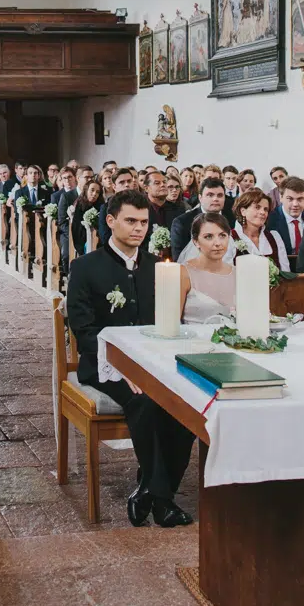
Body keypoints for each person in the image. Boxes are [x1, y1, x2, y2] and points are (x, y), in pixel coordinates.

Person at [67, 191, 195, 528]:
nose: (139, 228)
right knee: (146, 402)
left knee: (187, 407)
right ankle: (163, 499)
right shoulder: (84, 267)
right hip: (104, 365)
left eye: (143, 222)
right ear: (111, 221)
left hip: (154, 362)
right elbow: (83, 330)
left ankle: (148, 490)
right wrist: (125, 367)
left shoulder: (158, 267)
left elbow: (169, 322)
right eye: (131, 221)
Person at [179, 213, 236, 324]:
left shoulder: (238, 274)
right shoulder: (183, 273)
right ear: (196, 241)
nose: (218, 243)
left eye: (222, 235)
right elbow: (171, 323)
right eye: (208, 237)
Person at [268, 174, 304, 265]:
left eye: (300, 199)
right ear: (281, 198)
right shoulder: (269, 220)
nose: (295, 204)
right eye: (290, 199)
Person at [171, 176, 228, 262]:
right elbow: (178, 260)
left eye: (220, 195)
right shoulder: (182, 222)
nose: (215, 199)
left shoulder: (232, 219)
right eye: (210, 195)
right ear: (200, 197)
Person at [233, 188, 290, 270]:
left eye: (265, 209)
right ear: (243, 211)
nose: (263, 212)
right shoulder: (230, 238)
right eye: (257, 207)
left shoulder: (274, 236)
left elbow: (286, 271)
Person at [97, 166, 135, 244]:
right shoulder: (106, 208)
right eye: (122, 182)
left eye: (129, 181)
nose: (127, 185)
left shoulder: (141, 205)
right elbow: (104, 236)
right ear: (114, 187)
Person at [53, 165, 79, 275]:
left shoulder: (83, 192)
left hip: (81, 228)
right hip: (65, 231)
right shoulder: (57, 196)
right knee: (66, 254)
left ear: (75, 178)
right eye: (64, 178)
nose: (67, 180)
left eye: (70, 177)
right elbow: (61, 220)